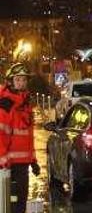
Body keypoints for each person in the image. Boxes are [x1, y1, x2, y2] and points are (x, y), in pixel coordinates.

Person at [0, 63, 39, 213]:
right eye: (18, 80)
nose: (21, 83)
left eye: (23, 80)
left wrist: (33, 161)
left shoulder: (26, 104)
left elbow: (28, 137)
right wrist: (3, 162)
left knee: (21, 203)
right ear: (10, 82)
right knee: (10, 204)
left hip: (22, 165)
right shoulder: (6, 104)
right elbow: (1, 135)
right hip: (9, 165)